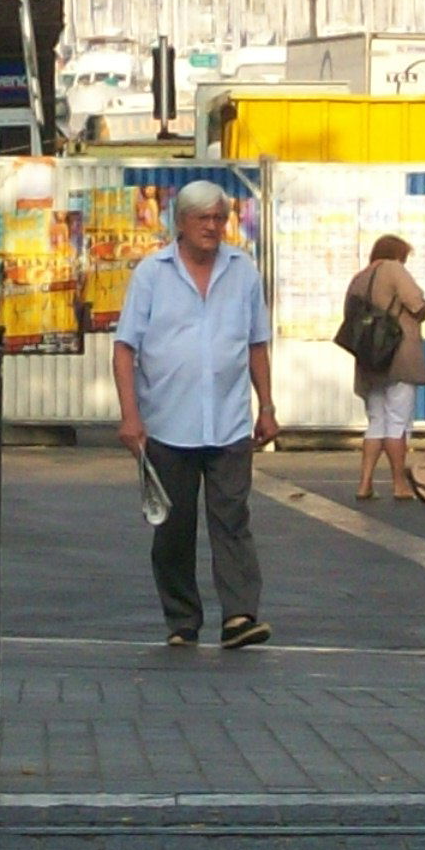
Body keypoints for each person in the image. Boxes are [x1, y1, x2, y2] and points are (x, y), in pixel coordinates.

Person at [113, 180, 278, 648]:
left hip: (228, 421)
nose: (212, 227)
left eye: (219, 218)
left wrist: (266, 405)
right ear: (181, 223)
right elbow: (124, 349)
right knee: (173, 527)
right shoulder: (152, 273)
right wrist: (130, 417)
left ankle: (240, 616)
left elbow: (256, 344)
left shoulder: (242, 271)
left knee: (232, 518)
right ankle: (182, 619)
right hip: (168, 420)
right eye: (203, 218)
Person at [341, 234, 425, 504]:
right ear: (397, 254)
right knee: (397, 423)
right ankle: (399, 484)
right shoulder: (394, 269)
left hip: (369, 359)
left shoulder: (359, 277)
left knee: (376, 421)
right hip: (397, 356)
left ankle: (365, 483)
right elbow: (416, 302)